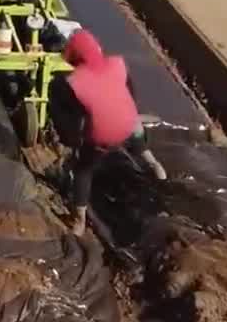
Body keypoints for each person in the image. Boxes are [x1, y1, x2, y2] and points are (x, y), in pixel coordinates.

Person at [61, 29, 168, 236]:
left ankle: (79, 222)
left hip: (104, 134)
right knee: (144, 153)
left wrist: (74, 139)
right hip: (130, 123)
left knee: (83, 169)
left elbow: (75, 118)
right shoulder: (117, 64)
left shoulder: (74, 82)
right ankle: (160, 176)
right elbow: (131, 95)